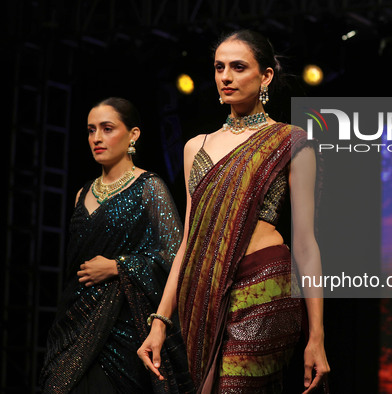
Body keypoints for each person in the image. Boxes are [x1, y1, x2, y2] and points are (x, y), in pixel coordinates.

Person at [137, 30, 330, 393]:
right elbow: (188, 243)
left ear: (266, 76)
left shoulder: (292, 140)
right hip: (204, 294)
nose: (226, 77)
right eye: (219, 67)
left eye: (238, 67)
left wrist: (316, 337)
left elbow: (306, 243)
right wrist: (160, 321)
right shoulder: (197, 146)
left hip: (266, 287)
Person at [41, 97, 194, 393]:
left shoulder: (149, 188)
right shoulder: (81, 194)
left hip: (123, 331)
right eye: (91, 130)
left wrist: (118, 266)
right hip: (72, 324)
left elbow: (175, 257)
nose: (96, 138)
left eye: (107, 128)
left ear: (133, 134)